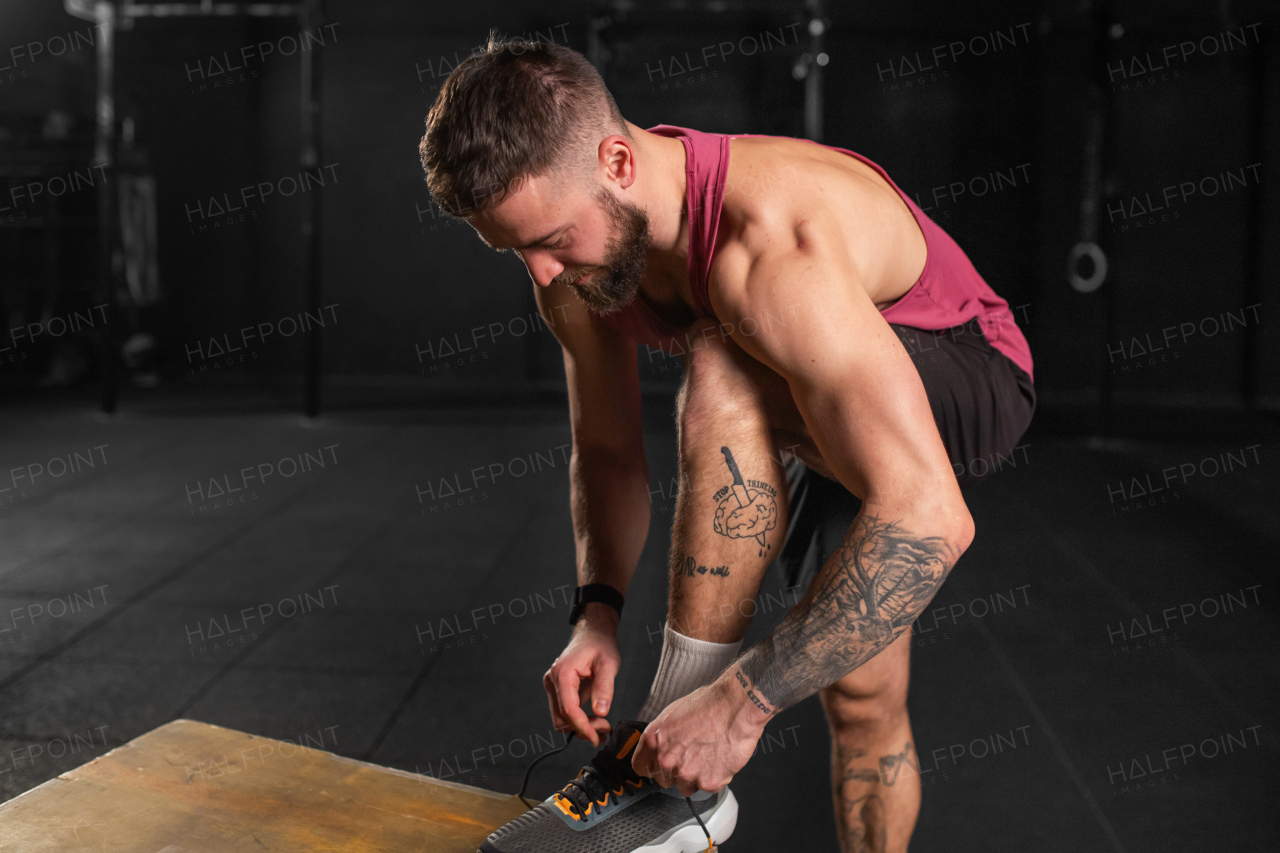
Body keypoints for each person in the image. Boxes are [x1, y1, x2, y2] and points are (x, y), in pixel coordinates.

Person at [419, 34, 1034, 853]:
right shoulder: (574, 265)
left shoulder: (772, 243)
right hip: (813, 381)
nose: (541, 274)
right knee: (860, 692)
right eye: (516, 249)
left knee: (721, 350)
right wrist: (595, 615)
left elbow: (931, 520)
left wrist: (739, 703)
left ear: (617, 161)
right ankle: (687, 776)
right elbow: (606, 449)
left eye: (553, 238)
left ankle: (680, 789)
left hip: (963, 365)